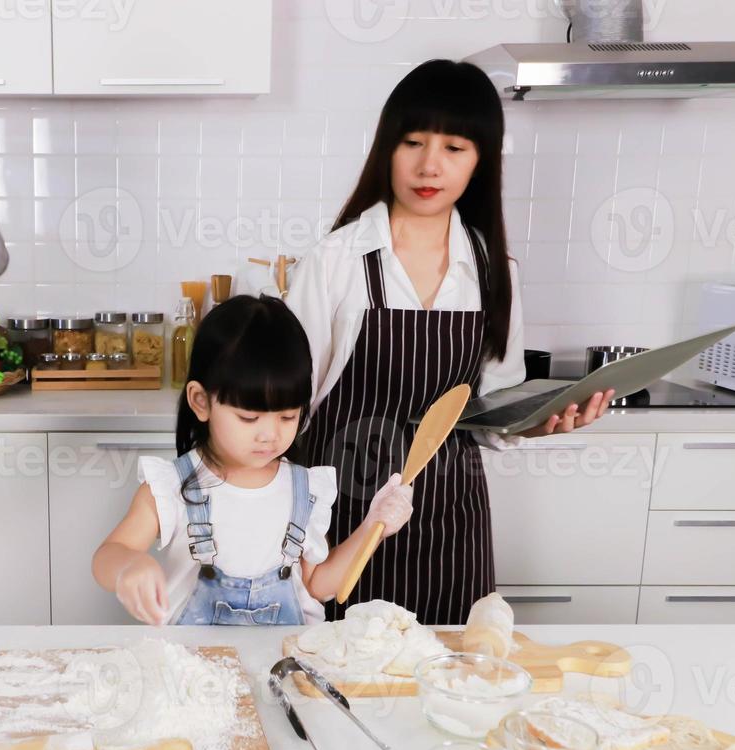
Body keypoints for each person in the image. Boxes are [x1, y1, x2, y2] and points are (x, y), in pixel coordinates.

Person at [287, 59, 614, 625]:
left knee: (449, 677)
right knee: (341, 678)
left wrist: (544, 421)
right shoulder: (336, 262)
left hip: (449, 518)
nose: (429, 164)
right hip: (339, 517)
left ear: (481, 160)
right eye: (412, 142)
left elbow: (491, 410)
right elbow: (286, 404)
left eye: (455, 148)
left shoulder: (493, 269)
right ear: (387, 148)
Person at [92, 294, 414, 626]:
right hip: (193, 669)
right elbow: (107, 555)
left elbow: (318, 585)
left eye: (288, 418)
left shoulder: (305, 490)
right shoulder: (173, 487)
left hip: (283, 668)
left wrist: (373, 527)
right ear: (201, 402)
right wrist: (127, 566)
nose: (270, 435)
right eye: (249, 419)